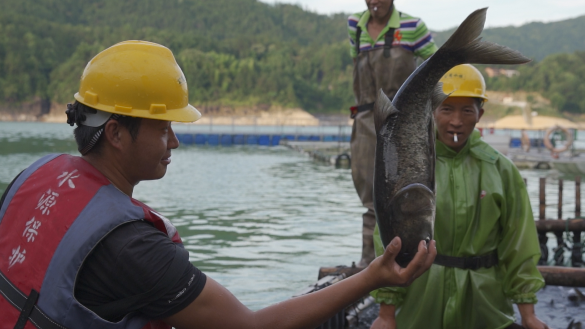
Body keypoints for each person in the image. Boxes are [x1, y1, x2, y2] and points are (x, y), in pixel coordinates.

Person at [0, 40, 437, 329]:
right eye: (164, 126)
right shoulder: (132, 250)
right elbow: (246, 327)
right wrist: (374, 276)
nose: (174, 140)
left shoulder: (33, 176)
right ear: (115, 133)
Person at [369, 64, 549, 329]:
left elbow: (518, 244)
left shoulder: (501, 169)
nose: (456, 120)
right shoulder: (413, 169)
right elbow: (388, 241)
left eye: (467, 110)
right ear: (431, 112)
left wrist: (528, 313)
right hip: (421, 304)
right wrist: (386, 313)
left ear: (481, 113)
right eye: (446, 109)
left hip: (486, 307)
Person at [348, 0, 437, 267]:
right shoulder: (355, 26)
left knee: (410, 196)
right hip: (366, 120)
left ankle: (413, 258)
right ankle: (369, 265)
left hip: (404, 124)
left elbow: (434, 68)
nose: (375, 2)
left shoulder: (413, 27)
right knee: (371, 199)